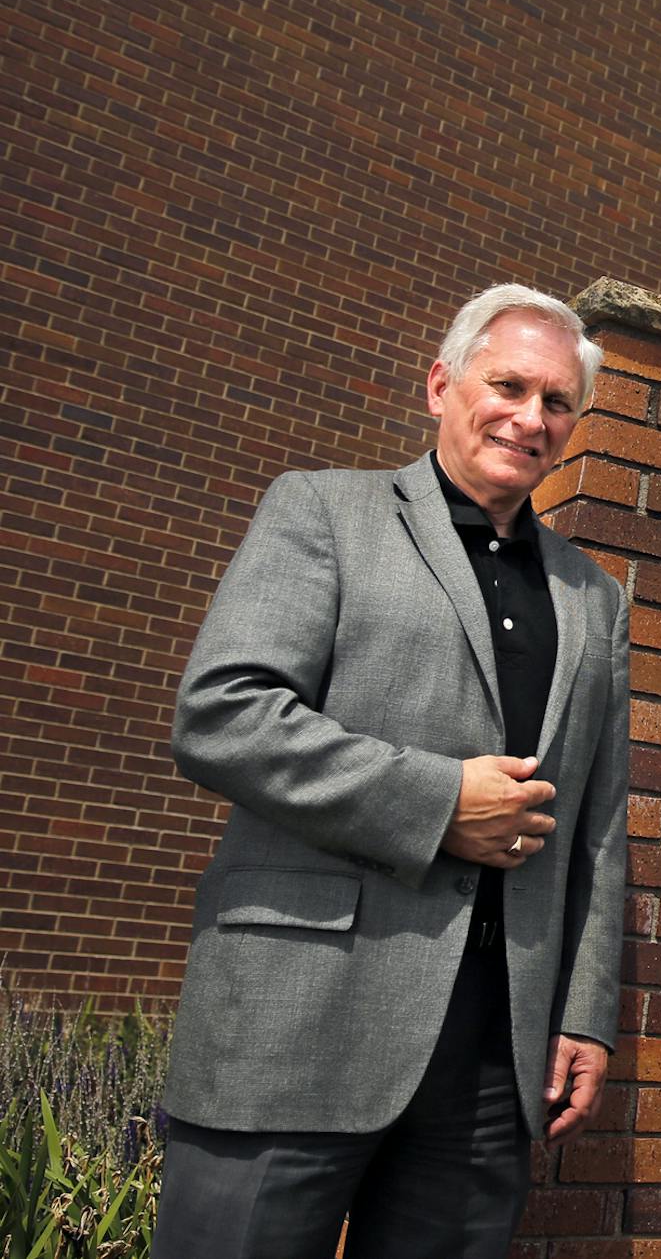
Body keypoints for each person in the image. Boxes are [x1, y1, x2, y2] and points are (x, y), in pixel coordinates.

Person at [150, 285, 630, 1259]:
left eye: (557, 402)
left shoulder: (594, 598)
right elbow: (224, 712)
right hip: (303, 1016)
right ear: (441, 384)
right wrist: (439, 798)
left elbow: (599, 826)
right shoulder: (324, 510)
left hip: (495, 1056)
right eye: (508, 385)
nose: (530, 417)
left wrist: (584, 1011)